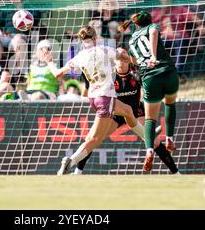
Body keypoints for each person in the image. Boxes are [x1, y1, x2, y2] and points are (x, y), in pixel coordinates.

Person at [42, 25, 147, 175]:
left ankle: (147, 139)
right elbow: (124, 58)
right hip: (105, 97)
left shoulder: (79, 56)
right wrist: (143, 62)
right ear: (95, 38)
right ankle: (70, 161)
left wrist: (50, 61)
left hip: (94, 98)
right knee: (95, 139)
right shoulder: (104, 49)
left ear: (81, 40)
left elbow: (58, 74)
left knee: (128, 111)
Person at [73, 47, 179, 175]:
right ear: (114, 61)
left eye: (124, 55)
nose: (121, 59)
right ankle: (77, 172)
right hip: (115, 113)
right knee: (93, 139)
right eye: (118, 56)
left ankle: (176, 173)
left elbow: (150, 89)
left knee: (155, 142)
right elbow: (90, 90)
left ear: (129, 59)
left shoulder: (137, 73)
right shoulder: (109, 76)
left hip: (135, 111)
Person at [118, 11, 179, 172]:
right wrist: (153, 55)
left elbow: (135, 62)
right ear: (148, 21)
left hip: (149, 78)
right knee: (170, 104)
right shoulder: (152, 27)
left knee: (150, 119)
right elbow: (152, 32)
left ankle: (149, 150)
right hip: (167, 71)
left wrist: (130, 60)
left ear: (135, 24)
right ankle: (170, 139)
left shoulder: (131, 41)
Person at [151, 0, 205, 82]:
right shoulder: (157, 12)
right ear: (160, 0)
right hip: (165, 38)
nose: (166, 0)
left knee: (179, 41)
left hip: (180, 38)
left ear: (172, 0)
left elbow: (195, 18)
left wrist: (200, 25)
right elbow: (144, 19)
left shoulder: (180, 9)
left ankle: (178, 72)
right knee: (157, 44)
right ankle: (160, 73)